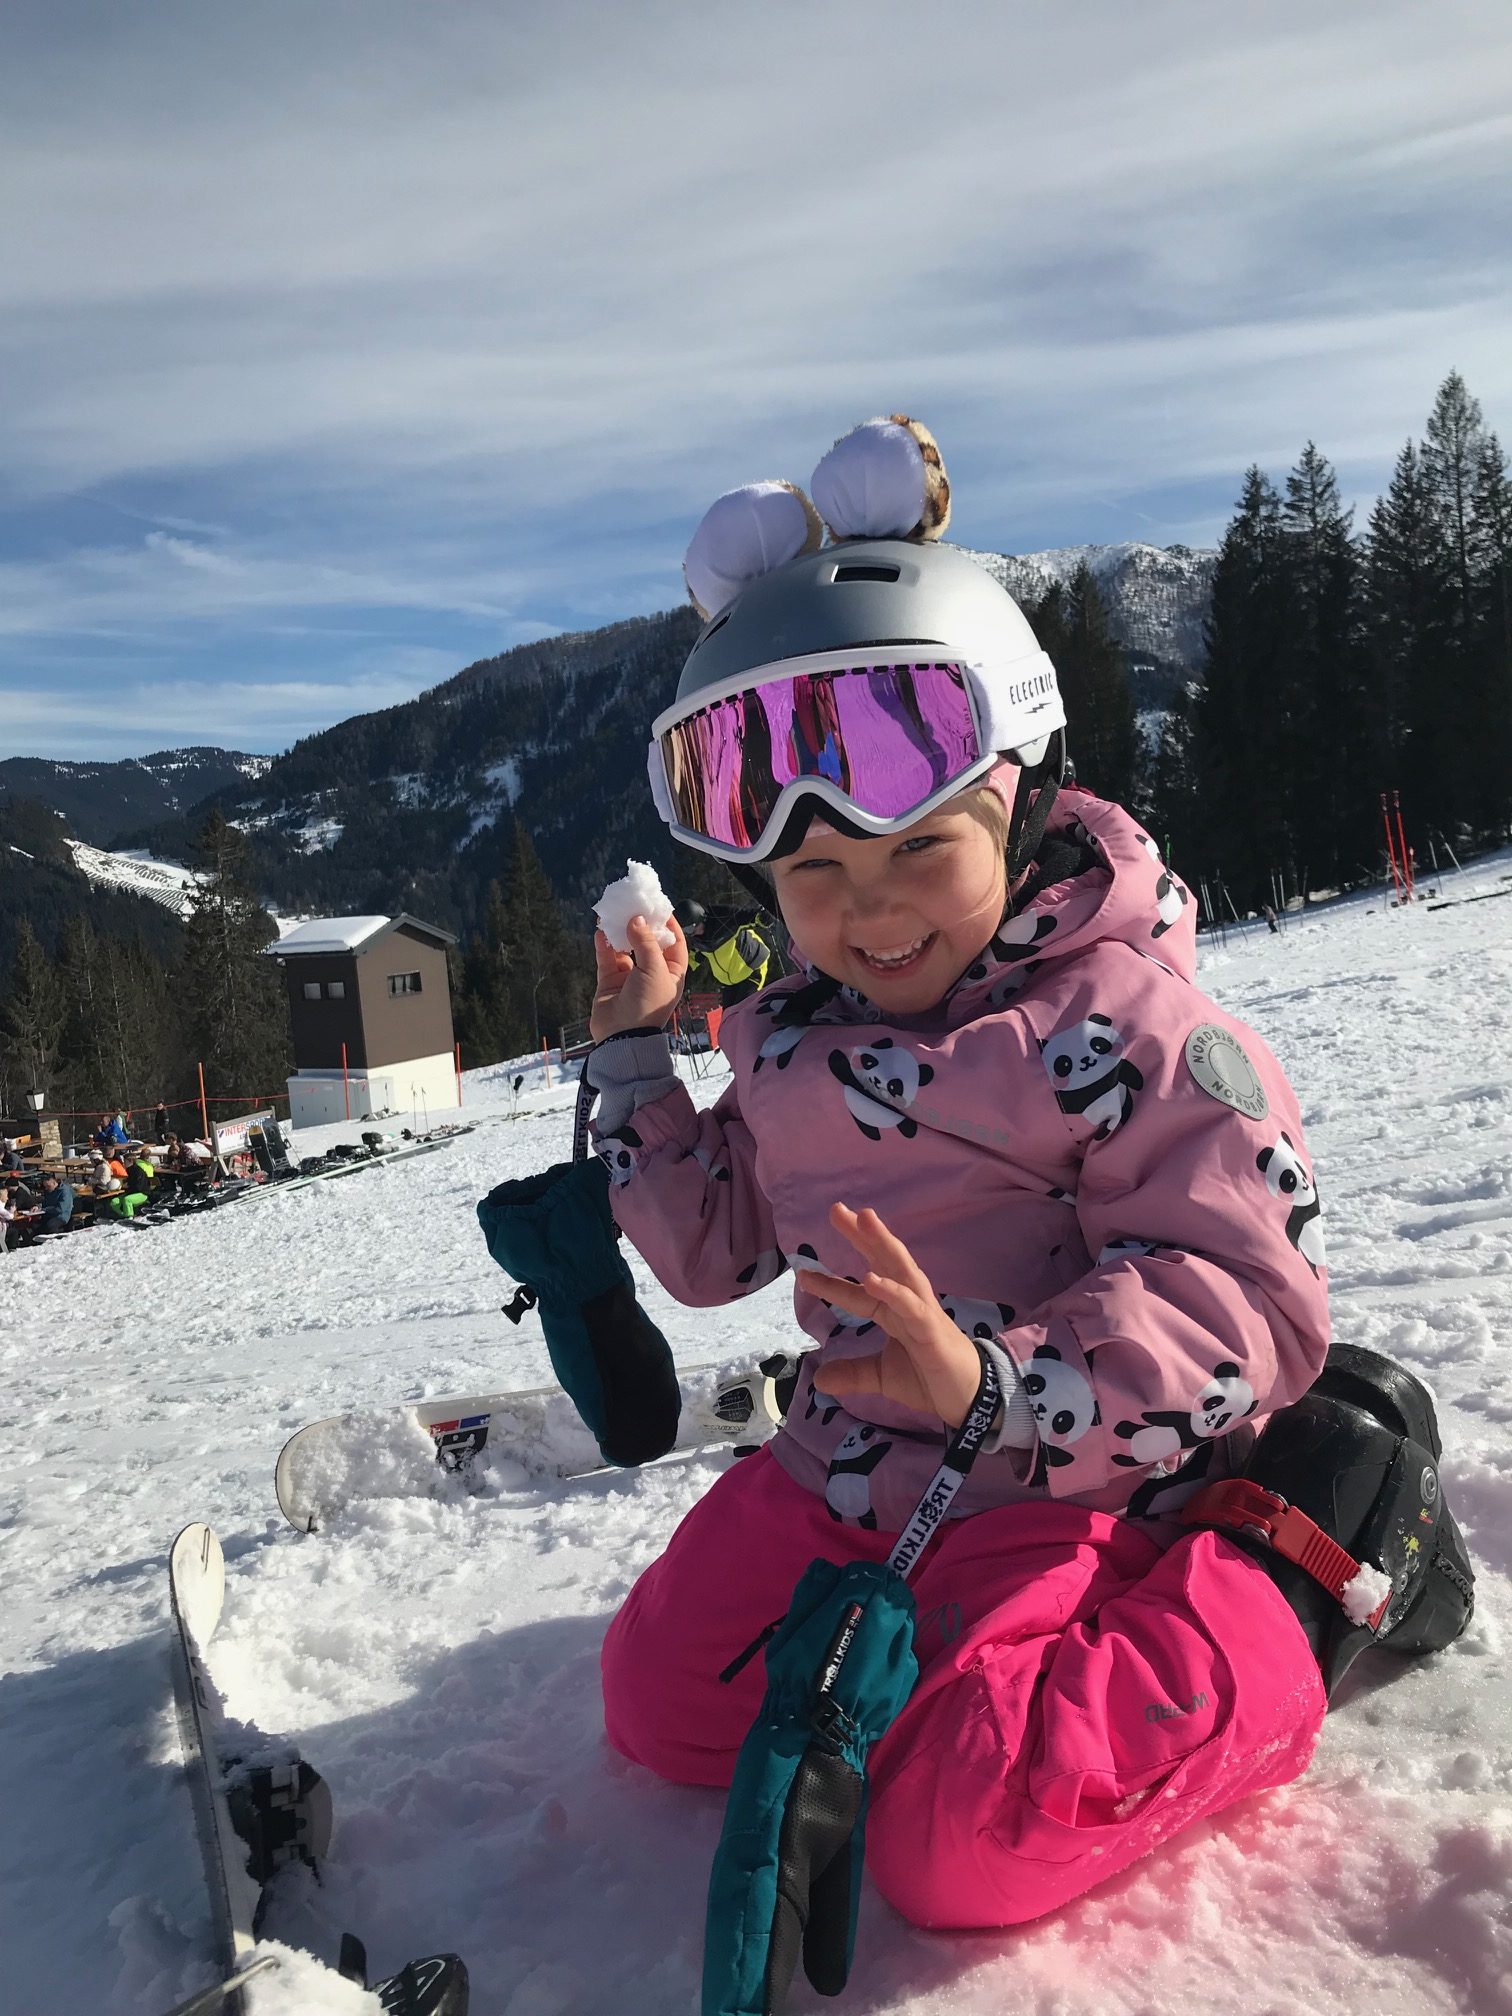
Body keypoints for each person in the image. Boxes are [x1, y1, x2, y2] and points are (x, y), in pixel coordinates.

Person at [585, 418, 1474, 1960]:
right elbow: (713, 1249)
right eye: (814, 879)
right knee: (660, 1705)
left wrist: (996, 1383)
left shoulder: (1124, 1023)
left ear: (1022, 798)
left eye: (917, 852)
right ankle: (944, 1655)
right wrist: (637, 1064)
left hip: (1069, 1478)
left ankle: (1305, 1553)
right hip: (851, 1474)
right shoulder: (792, 1037)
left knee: (962, 1840)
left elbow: (1244, 1290)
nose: (868, 916)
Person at [674, 897, 772, 1007]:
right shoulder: (698, 940)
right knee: (729, 1016)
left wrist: (763, 918)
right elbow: (693, 960)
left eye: (690, 929)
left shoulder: (723, 919)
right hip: (729, 981)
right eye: (685, 931)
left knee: (745, 1011)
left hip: (751, 968)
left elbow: (748, 916)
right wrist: (677, 979)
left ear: (699, 919)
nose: (690, 934)